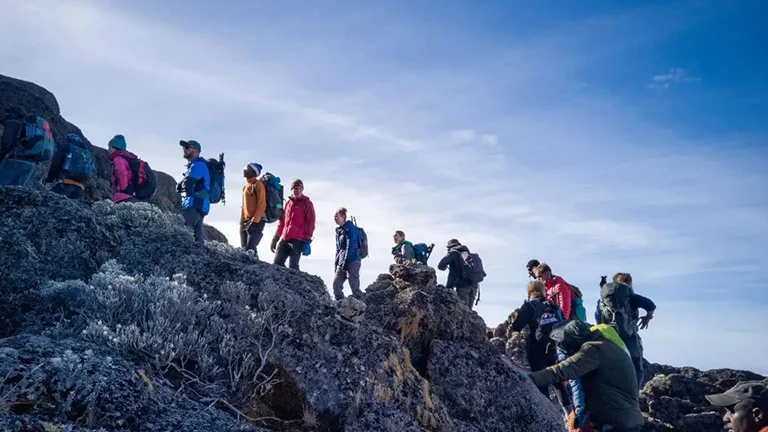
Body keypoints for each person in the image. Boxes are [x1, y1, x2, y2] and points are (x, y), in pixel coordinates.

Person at [529, 320, 644, 432]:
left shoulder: (593, 349)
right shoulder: (607, 345)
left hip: (616, 421)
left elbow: (562, 371)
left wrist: (528, 378)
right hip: (626, 419)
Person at [510, 280, 572, 415]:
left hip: (535, 348)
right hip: (553, 347)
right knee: (556, 379)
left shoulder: (529, 306)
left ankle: (548, 416)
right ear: (543, 291)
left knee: (540, 379)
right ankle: (570, 415)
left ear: (529, 292)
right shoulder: (552, 305)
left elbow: (516, 326)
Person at [595, 272, 656, 392]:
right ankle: (633, 396)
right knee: (636, 368)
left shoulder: (603, 298)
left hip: (609, 338)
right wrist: (648, 318)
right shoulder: (630, 296)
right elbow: (651, 305)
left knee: (611, 369)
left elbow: (598, 317)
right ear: (629, 283)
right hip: (629, 338)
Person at [0, 108, 53, 187]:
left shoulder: (12, 123)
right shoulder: (30, 128)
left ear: (13, 114)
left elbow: (6, 143)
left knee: (2, 186)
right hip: (31, 164)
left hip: (15, 161)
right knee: (15, 191)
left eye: (8, 113)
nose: (6, 116)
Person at [270, 179, 315, 270]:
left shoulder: (307, 203)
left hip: (298, 239)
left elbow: (311, 222)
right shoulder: (288, 203)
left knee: (293, 266)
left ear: (302, 189)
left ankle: (297, 279)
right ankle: (282, 279)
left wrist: (307, 239)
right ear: (292, 189)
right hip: (285, 238)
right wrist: (276, 237)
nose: (298, 191)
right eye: (295, 188)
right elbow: (282, 222)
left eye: (300, 189)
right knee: (277, 264)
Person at [177, 139, 210, 245]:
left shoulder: (198, 165)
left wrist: (181, 185)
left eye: (187, 147)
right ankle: (200, 254)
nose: (184, 149)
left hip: (195, 203)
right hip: (200, 204)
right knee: (197, 237)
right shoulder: (195, 165)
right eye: (184, 147)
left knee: (182, 233)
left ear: (196, 151)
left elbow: (188, 183)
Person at [45, 133, 93, 201]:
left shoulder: (66, 147)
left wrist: (49, 180)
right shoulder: (86, 154)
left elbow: (55, 165)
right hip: (79, 189)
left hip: (65, 184)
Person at [436, 239, 478, 310]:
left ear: (450, 247)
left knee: (463, 310)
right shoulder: (469, 254)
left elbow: (441, 265)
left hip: (462, 286)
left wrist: (448, 287)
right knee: (469, 311)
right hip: (474, 286)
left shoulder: (453, 253)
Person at [332, 207, 363, 300]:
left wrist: (346, 260)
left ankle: (360, 304)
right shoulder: (339, 231)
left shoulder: (350, 228)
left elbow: (352, 244)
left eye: (336, 216)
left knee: (354, 285)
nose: (335, 218)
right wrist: (336, 264)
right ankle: (340, 304)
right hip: (342, 262)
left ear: (343, 217)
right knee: (336, 285)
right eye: (334, 216)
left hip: (353, 260)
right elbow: (338, 249)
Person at [240, 162, 266, 257]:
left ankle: (254, 263)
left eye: (247, 169)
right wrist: (242, 222)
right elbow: (244, 206)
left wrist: (255, 221)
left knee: (250, 248)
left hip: (256, 221)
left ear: (253, 172)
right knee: (244, 248)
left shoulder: (258, 185)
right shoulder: (246, 186)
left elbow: (262, 204)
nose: (245, 170)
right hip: (246, 221)